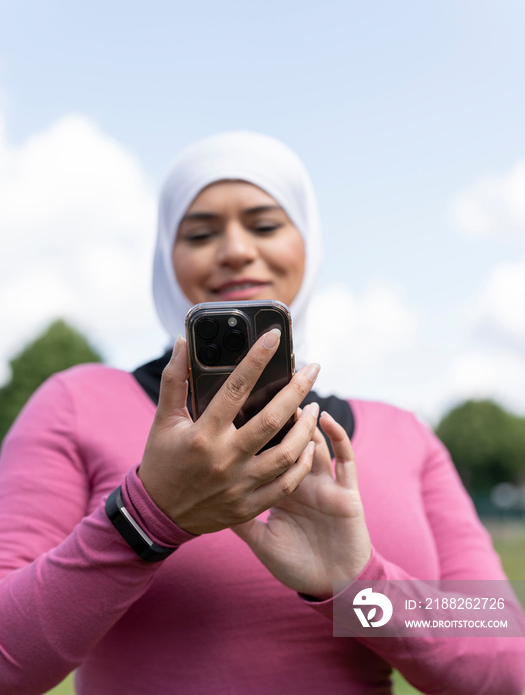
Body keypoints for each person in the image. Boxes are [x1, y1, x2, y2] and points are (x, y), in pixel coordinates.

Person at [0, 131, 524, 695]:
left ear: (308, 245)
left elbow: (505, 667)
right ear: (166, 257)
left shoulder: (405, 435)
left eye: (265, 224)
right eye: (200, 232)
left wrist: (357, 586)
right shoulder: (76, 402)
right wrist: (147, 519)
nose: (235, 250)